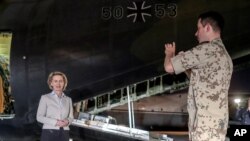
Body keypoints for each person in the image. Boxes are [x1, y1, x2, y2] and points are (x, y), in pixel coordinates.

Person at [164, 11, 233, 141]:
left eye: (198, 28)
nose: (196, 33)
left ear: (207, 28)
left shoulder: (206, 50)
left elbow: (169, 67)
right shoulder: (225, 56)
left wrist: (170, 54)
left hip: (204, 128)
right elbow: (202, 80)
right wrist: (187, 67)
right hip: (217, 127)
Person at [37, 71, 74, 141]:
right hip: (49, 132)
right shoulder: (45, 98)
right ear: (51, 83)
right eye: (55, 81)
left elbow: (71, 117)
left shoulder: (68, 99)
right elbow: (39, 117)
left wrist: (67, 121)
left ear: (64, 83)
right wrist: (56, 122)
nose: (58, 83)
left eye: (61, 81)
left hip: (64, 132)